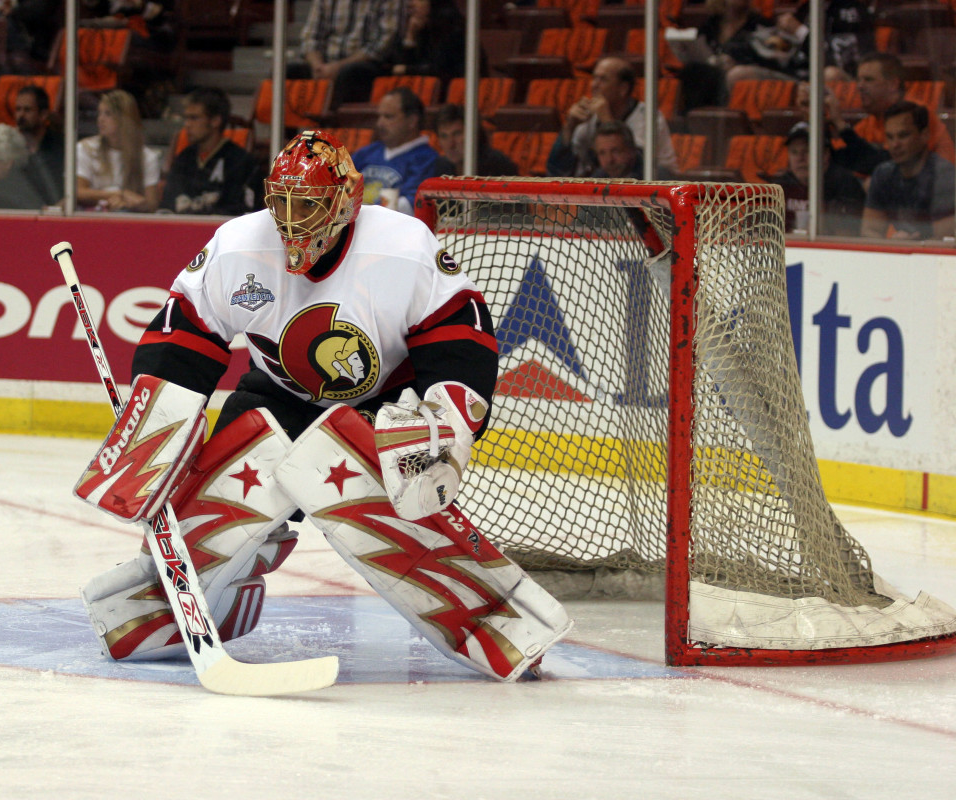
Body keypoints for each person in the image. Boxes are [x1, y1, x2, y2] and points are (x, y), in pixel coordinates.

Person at [77, 129, 572, 682]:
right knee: (221, 500)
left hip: (379, 411)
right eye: (280, 201)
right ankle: (188, 606)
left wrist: (445, 421)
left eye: (307, 204)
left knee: (393, 516)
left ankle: (495, 616)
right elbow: (183, 336)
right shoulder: (237, 246)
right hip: (278, 398)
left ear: (345, 200)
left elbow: (461, 340)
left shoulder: (402, 247)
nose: (291, 220)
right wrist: (155, 427)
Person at [825, 52, 956, 177]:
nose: (860, 86)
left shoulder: (914, 113)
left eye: (868, 80)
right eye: (858, 80)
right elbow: (838, 158)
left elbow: (885, 165)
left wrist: (840, 124)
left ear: (893, 84)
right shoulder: (871, 121)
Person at [544, 57, 676, 179]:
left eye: (603, 79)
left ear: (623, 88)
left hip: (656, 183)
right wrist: (570, 127)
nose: (594, 85)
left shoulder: (648, 116)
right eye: (594, 78)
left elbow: (634, 166)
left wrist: (606, 120)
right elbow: (558, 171)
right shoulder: (590, 116)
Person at [861, 101, 956, 241]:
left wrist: (906, 247)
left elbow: (943, 240)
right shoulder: (883, 174)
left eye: (903, 135)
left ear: (924, 135)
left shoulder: (944, 175)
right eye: (890, 137)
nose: (895, 144)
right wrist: (893, 246)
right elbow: (869, 231)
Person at [159, 88, 262, 216]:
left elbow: (241, 212)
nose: (187, 124)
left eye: (194, 118)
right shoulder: (184, 158)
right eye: (186, 118)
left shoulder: (241, 162)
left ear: (215, 121)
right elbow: (167, 205)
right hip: (180, 232)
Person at [288, 0, 404, 108]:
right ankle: (282, 129)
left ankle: (338, 127)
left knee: (350, 73)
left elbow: (384, 43)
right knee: (287, 72)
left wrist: (337, 67)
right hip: (324, 65)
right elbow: (310, 37)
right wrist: (317, 66)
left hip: (367, 64)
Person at [351, 86, 438, 213]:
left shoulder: (426, 159)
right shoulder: (365, 153)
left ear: (412, 121)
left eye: (388, 117)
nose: (380, 123)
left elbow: (410, 205)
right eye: (379, 116)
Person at [770, 121, 865, 236]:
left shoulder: (845, 184)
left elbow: (848, 236)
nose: (800, 158)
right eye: (794, 152)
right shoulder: (781, 187)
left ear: (825, 154)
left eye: (807, 151)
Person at [75, 89, 160, 212]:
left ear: (125, 119)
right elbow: (78, 192)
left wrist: (130, 204)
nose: (100, 119)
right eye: (100, 113)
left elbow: (151, 204)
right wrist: (120, 194)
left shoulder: (147, 157)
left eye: (108, 114)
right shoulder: (85, 148)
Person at [429, 103, 518, 177]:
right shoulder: (441, 166)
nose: (451, 145)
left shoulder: (497, 164)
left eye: (457, 134)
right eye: (444, 136)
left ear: (474, 133)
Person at [389, 0, 466, 84]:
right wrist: (410, 37)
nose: (410, 4)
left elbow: (438, 70)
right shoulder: (411, 27)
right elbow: (397, 69)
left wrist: (407, 69)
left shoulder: (451, 29)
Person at [13, 84, 64, 206]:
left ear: (43, 115)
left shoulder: (61, 147)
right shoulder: (11, 147)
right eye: (18, 109)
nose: (21, 116)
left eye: (27, 110)